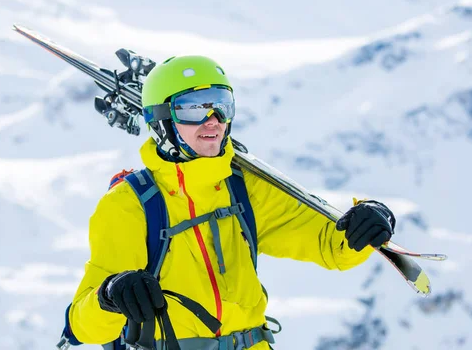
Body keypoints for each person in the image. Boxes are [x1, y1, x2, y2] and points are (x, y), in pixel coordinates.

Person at [67, 55, 396, 350]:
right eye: (193, 108)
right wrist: (110, 296)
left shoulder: (245, 188)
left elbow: (329, 244)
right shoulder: (130, 204)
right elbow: (84, 325)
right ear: (162, 120)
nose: (212, 119)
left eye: (221, 104)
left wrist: (365, 221)